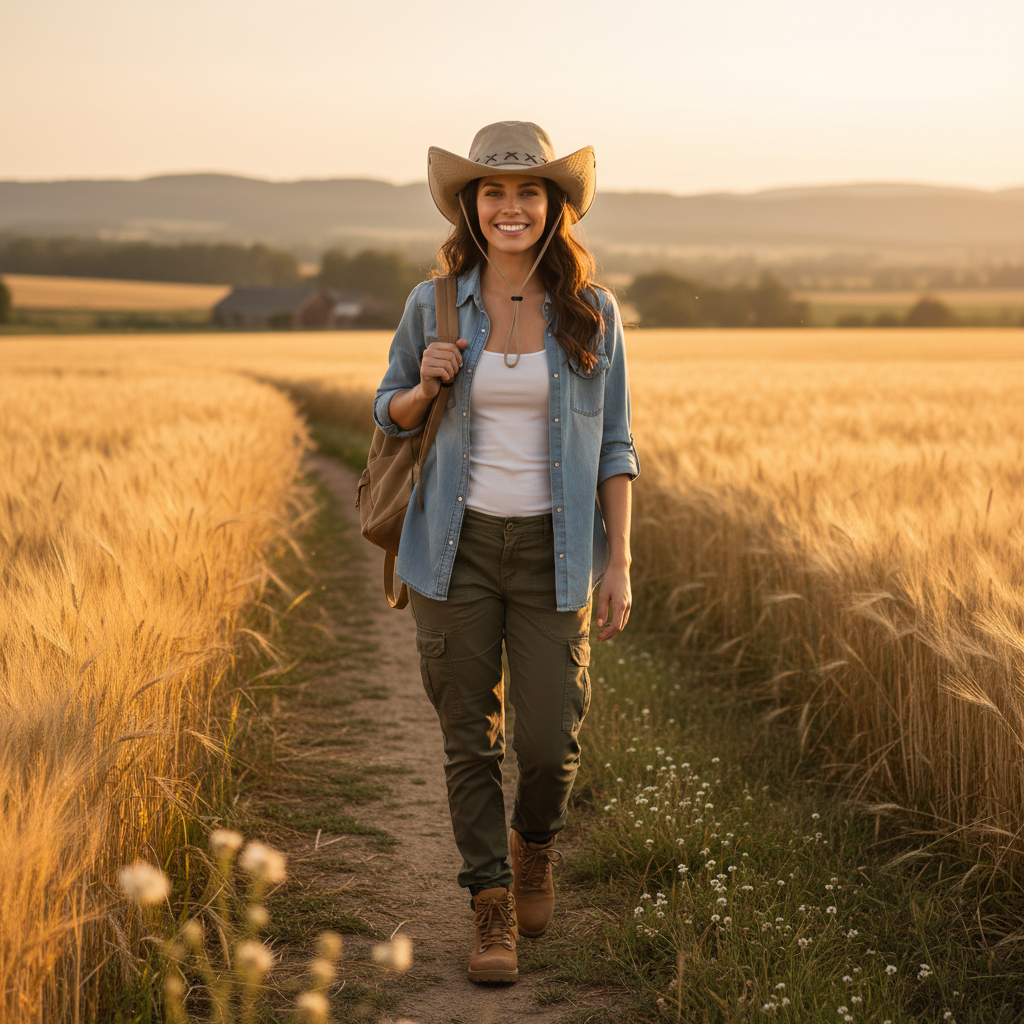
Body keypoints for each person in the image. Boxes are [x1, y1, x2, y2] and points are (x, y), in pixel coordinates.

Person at [373, 121, 639, 984]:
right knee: (467, 738)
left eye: (528, 192)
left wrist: (620, 560)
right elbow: (388, 413)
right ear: (471, 206)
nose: (511, 207)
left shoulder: (592, 314)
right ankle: (490, 903)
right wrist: (425, 384)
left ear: (554, 207)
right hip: (457, 550)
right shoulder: (433, 303)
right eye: (494, 192)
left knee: (552, 739)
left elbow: (616, 446)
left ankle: (534, 848)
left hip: (557, 555)